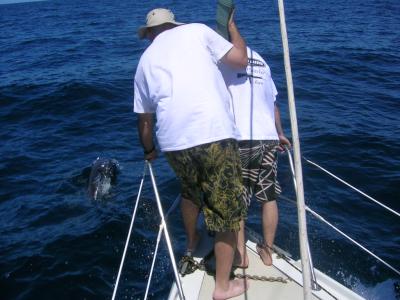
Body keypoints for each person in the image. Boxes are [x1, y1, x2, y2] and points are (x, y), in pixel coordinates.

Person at [133, 8, 249, 300]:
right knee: (225, 213)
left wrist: (149, 151)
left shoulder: (144, 61)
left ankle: (192, 240)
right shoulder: (197, 30)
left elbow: (144, 121)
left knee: (190, 191)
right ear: (173, 24)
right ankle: (222, 287)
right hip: (213, 133)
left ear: (150, 34)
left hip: (173, 143)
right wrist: (233, 30)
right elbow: (240, 61)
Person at [220, 47, 291, 267]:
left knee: (238, 197)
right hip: (268, 138)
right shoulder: (262, 61)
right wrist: (279, 133)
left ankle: (241, 254)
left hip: (242, 138)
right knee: (268, 197)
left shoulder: (223, 61)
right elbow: (273, 104)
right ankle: (267, 252)